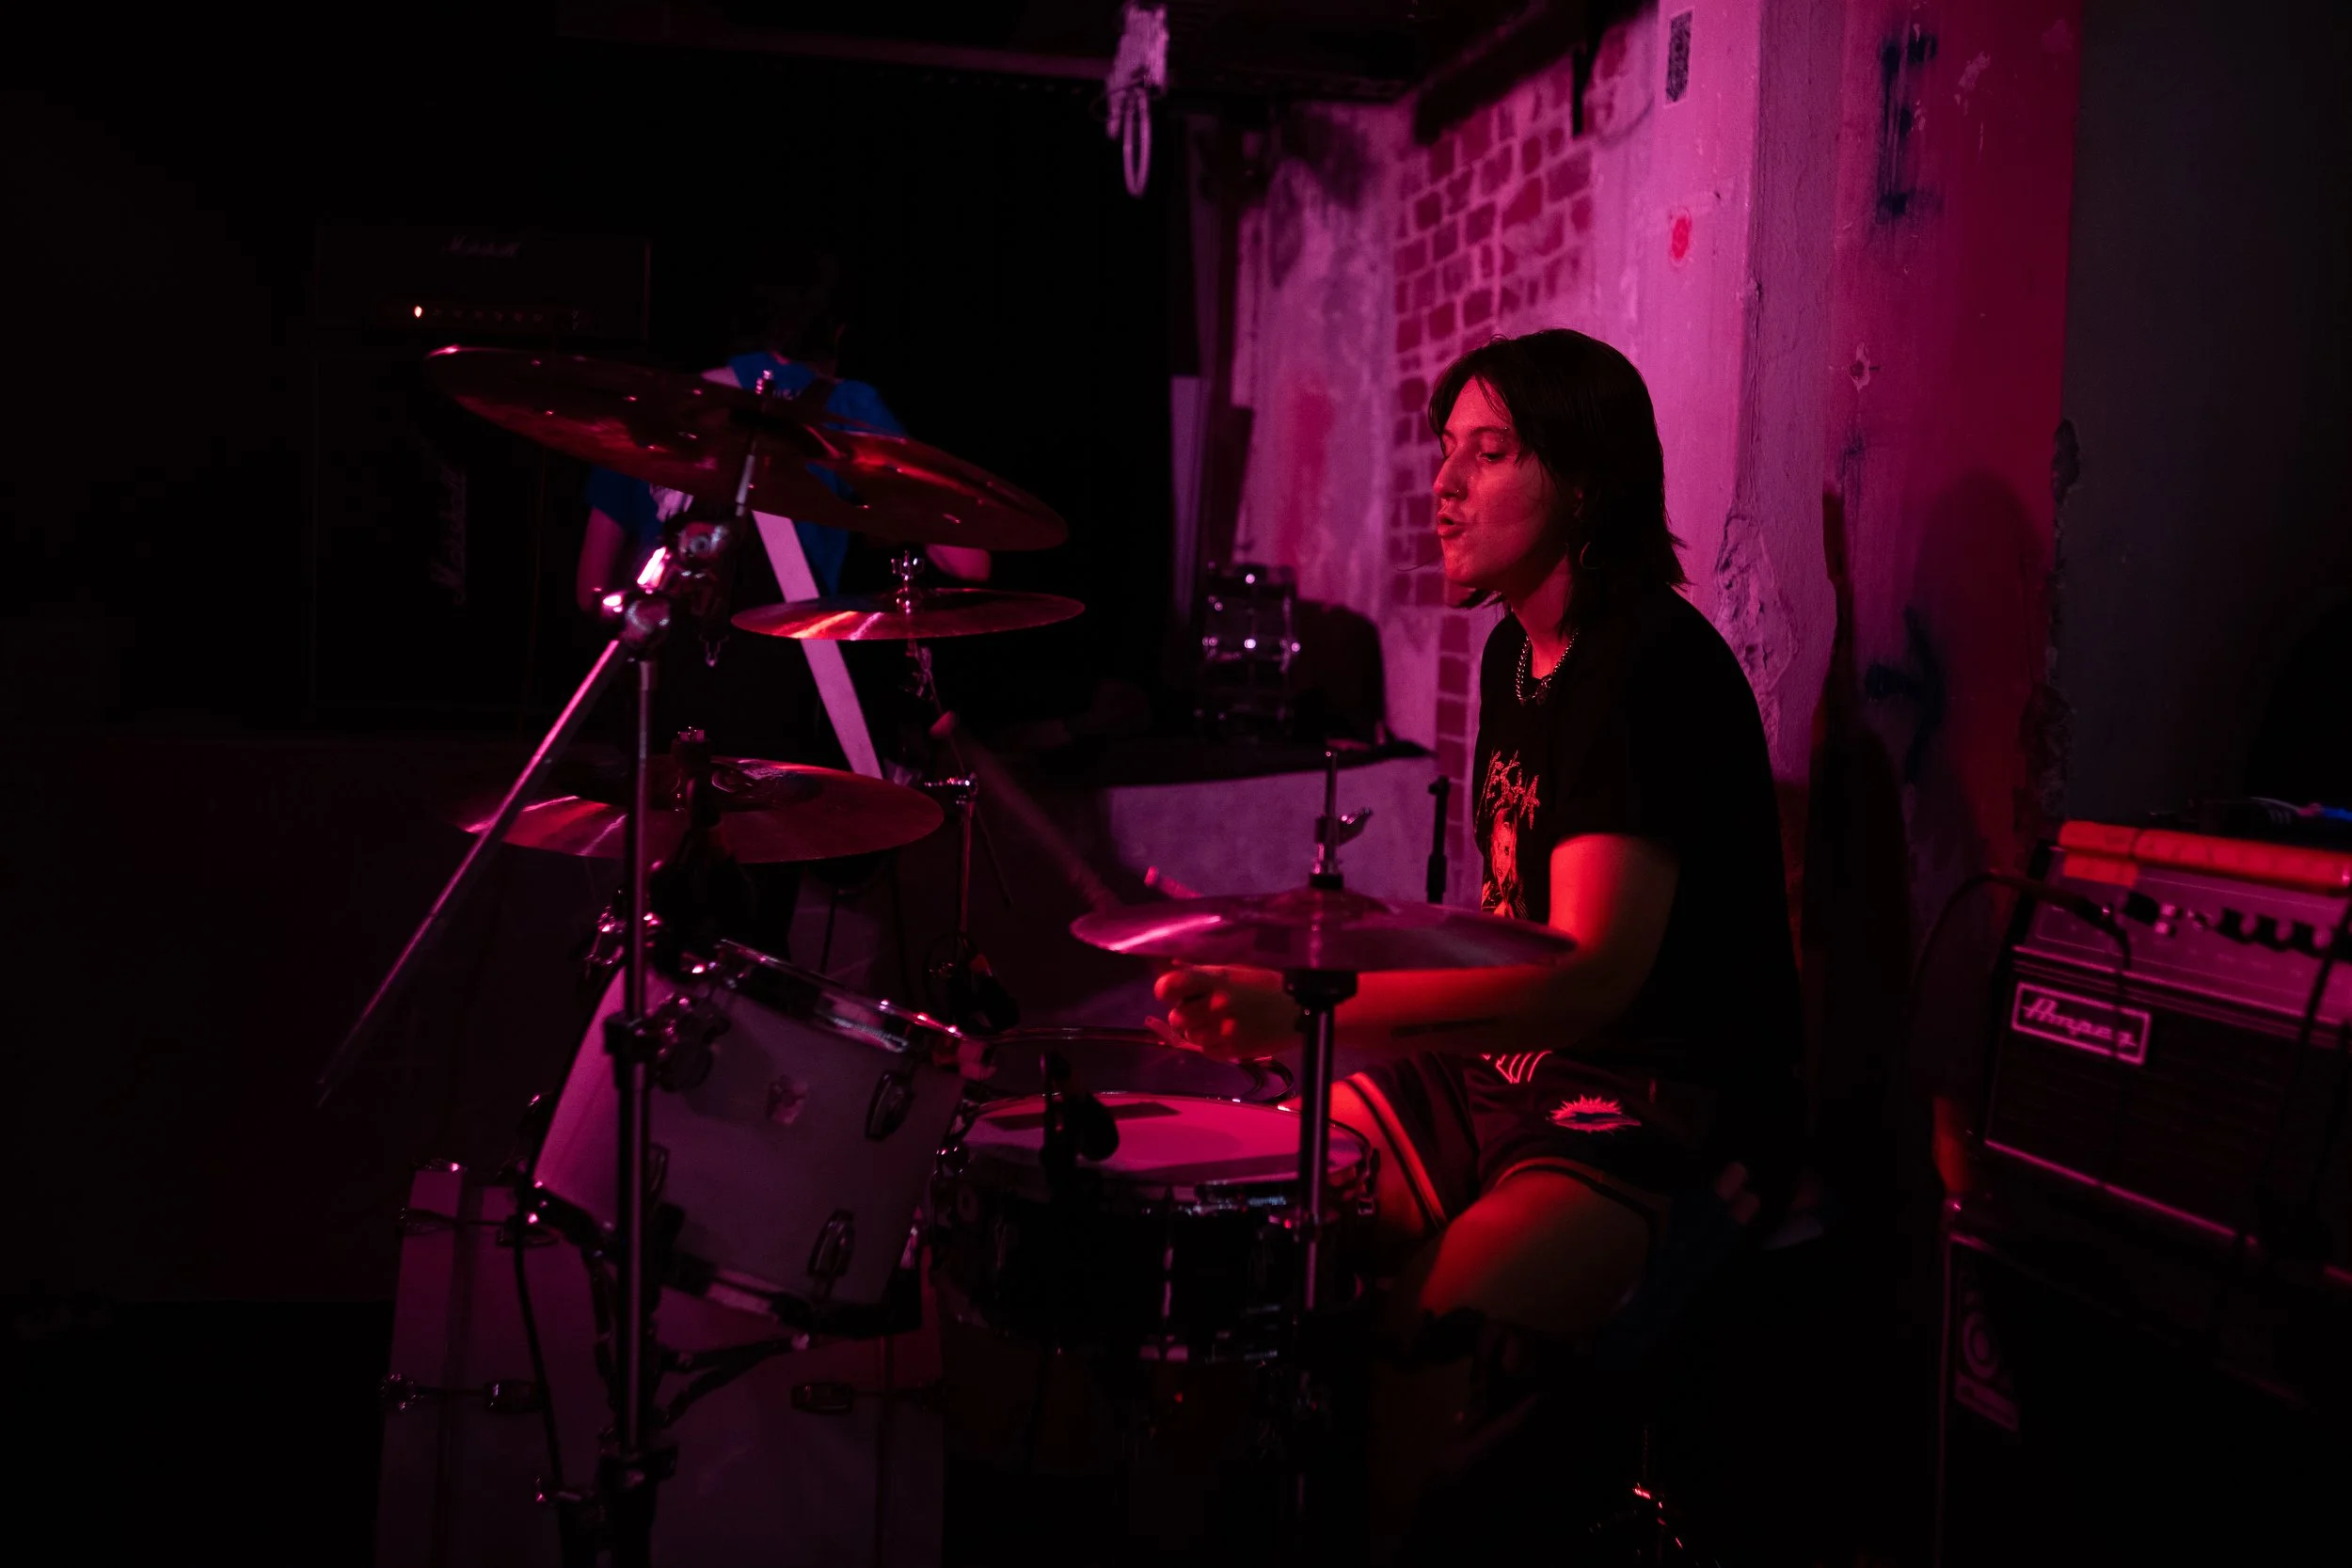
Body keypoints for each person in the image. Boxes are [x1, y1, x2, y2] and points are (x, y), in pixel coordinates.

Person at [1153, 329, 1804, 1546]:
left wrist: (1316, 1009)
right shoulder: (1516, 651)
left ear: (1583, 481)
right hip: (1509, 1077)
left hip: (1659, 1095)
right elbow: (1511, 934)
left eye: (1488, 453)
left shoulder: (1641, 667)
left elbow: (1587, 979)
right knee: (1279, 1205)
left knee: (1437, 1317)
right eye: (1445, 452)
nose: (1442, 487)